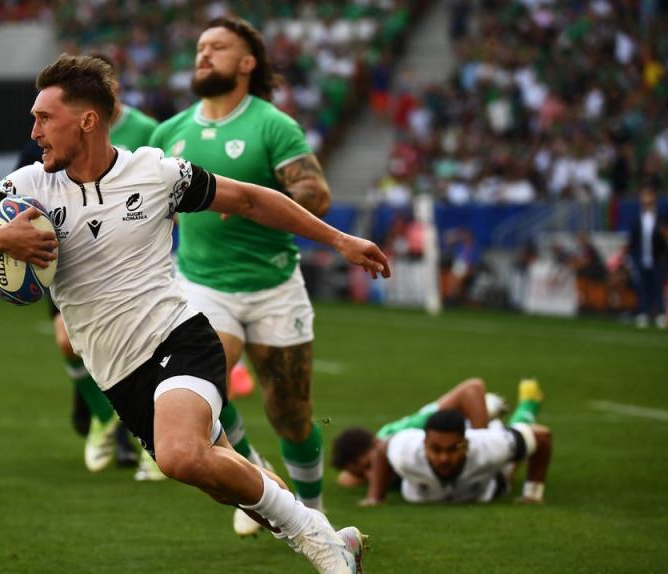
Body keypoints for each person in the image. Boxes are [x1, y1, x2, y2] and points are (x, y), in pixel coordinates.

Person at [0, 54, 389, 574]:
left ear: (87, 121)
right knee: (225, 480)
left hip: (179, 337)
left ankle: (315, 535)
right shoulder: (28, 186)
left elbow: (249, 199)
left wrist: (340, 239)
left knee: (178, 455)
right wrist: (5, 241)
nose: (33, 131)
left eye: (44, 118)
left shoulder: (157, 172)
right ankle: (335, 538)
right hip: (118, 375)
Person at [150, 17, 335, 534]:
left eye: (218, 47)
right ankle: (256, 473)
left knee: (292, 413)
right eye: (200, 47)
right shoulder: (171, 133)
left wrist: (253, 203)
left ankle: (313, 511)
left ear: (247, 63)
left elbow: (316, 193)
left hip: (274, 286)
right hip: (201, 285)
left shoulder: (273, 125)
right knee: (206, 390)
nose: (203, 54)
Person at [42, 52, 164, 480]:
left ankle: (151, 439)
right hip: (72, 257)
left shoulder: (147, 129)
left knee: (149, 351)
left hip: (132, 265)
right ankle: (102, 418)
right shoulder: (56, 123)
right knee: (64, 340)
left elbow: (166, 196)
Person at [359, 383, 552, 506]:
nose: (444, 458)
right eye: (436, 449)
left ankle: (528, 405)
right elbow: (381, 448)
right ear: (424, 443)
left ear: (465, 442)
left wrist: (532, 495)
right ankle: (491, 408)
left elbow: (542, 437)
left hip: (491, 481)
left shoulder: (486, 446)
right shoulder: (406, 449)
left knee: (516, 448)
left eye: (453, 449)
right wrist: (375, 497)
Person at [332, 378, 542, 488]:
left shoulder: (406, 431)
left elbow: (472, 388)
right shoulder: (389, 459)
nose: (371, 475)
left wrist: (479, 442)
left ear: (377, 442)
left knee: (509, 456)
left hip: (465, 436)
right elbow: (345, 479)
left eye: (370, 466)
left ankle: (525, 406)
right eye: (363, 473)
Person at [629, 182, 667, 328]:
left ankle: (660, 314)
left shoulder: (662, 217)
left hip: (658, 259)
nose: (645, 198)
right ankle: (643, 313)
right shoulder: (637, 218)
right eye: (643, 195)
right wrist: (633, 258)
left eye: (648, 195)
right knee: (642, 287)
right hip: (641, 258)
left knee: (657, 287)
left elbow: (664, 241)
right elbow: (633, 241)